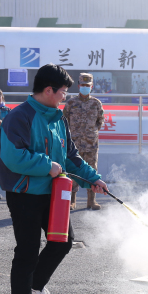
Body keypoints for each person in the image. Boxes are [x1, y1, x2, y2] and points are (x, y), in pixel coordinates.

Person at [0, 64, 109, 294]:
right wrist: (47, 166)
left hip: (54, 195)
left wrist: (93, 179)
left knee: (63, 242)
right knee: (26, 251)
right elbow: (13, 157)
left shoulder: (59, 118)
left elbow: (71, 157)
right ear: (49, 90)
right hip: (24, 194)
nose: (65, 97)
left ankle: (35, 286)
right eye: (63, 92)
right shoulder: (19, 117)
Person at [63, 73, 105, 211]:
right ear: (78, 86)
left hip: (91, 144)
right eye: (83, 85)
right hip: (73, 144)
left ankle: (91, 201)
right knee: (72, 171)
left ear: (91, 87)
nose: (85, 87)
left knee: (92, 170)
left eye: (88, 86)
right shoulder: (70, 103)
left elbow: (100, 121)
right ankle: (72, 201)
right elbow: (64, 121)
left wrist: (91, 134)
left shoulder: (96, 103)